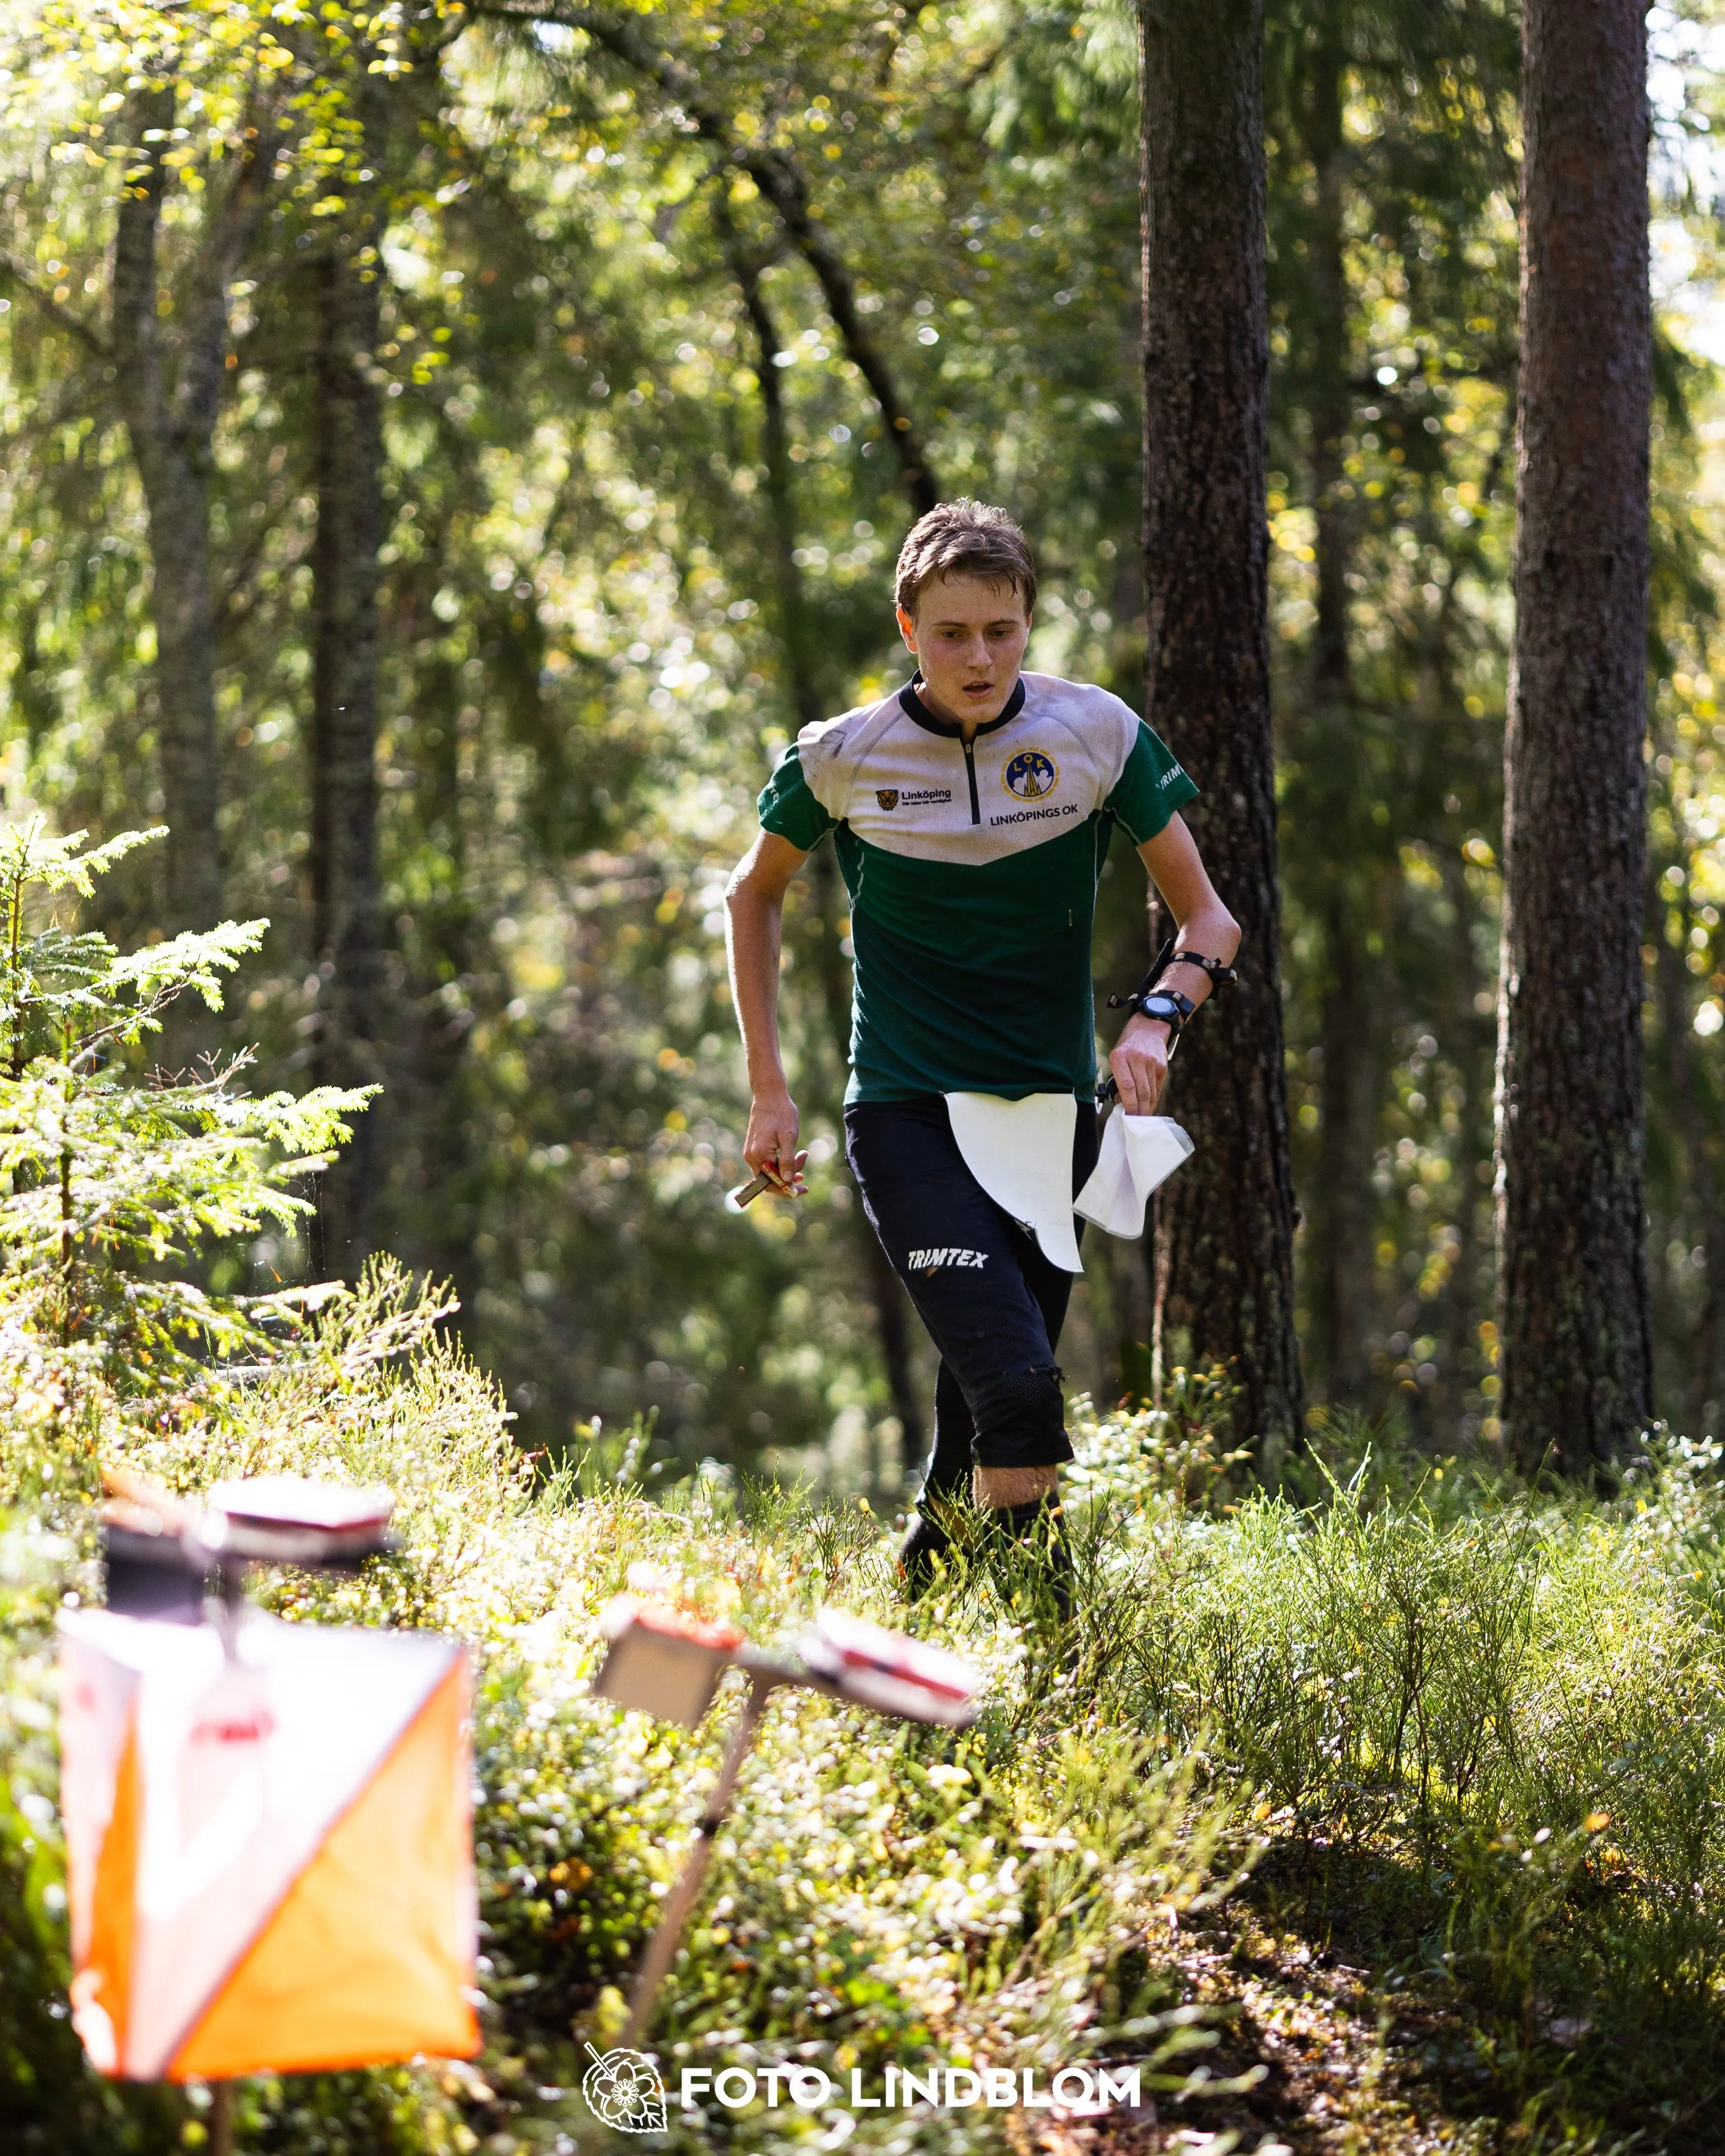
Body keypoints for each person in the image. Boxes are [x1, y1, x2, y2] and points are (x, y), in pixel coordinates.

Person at [724, 500, 1239, 1614]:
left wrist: (1154, 1020)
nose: (980, 657)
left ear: (1027, 624)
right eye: (952, 633)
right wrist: (770, 1088)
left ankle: (908, 1635)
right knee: (1015, 1385)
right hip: (907, 1114)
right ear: (907, 628)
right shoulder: (842, 755)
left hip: (1055, 1120)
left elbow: (1210, 921)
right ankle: (1058, 1650)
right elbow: (752, 895)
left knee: (977, 1419)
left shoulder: (1094, 733)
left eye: (1002, 630)